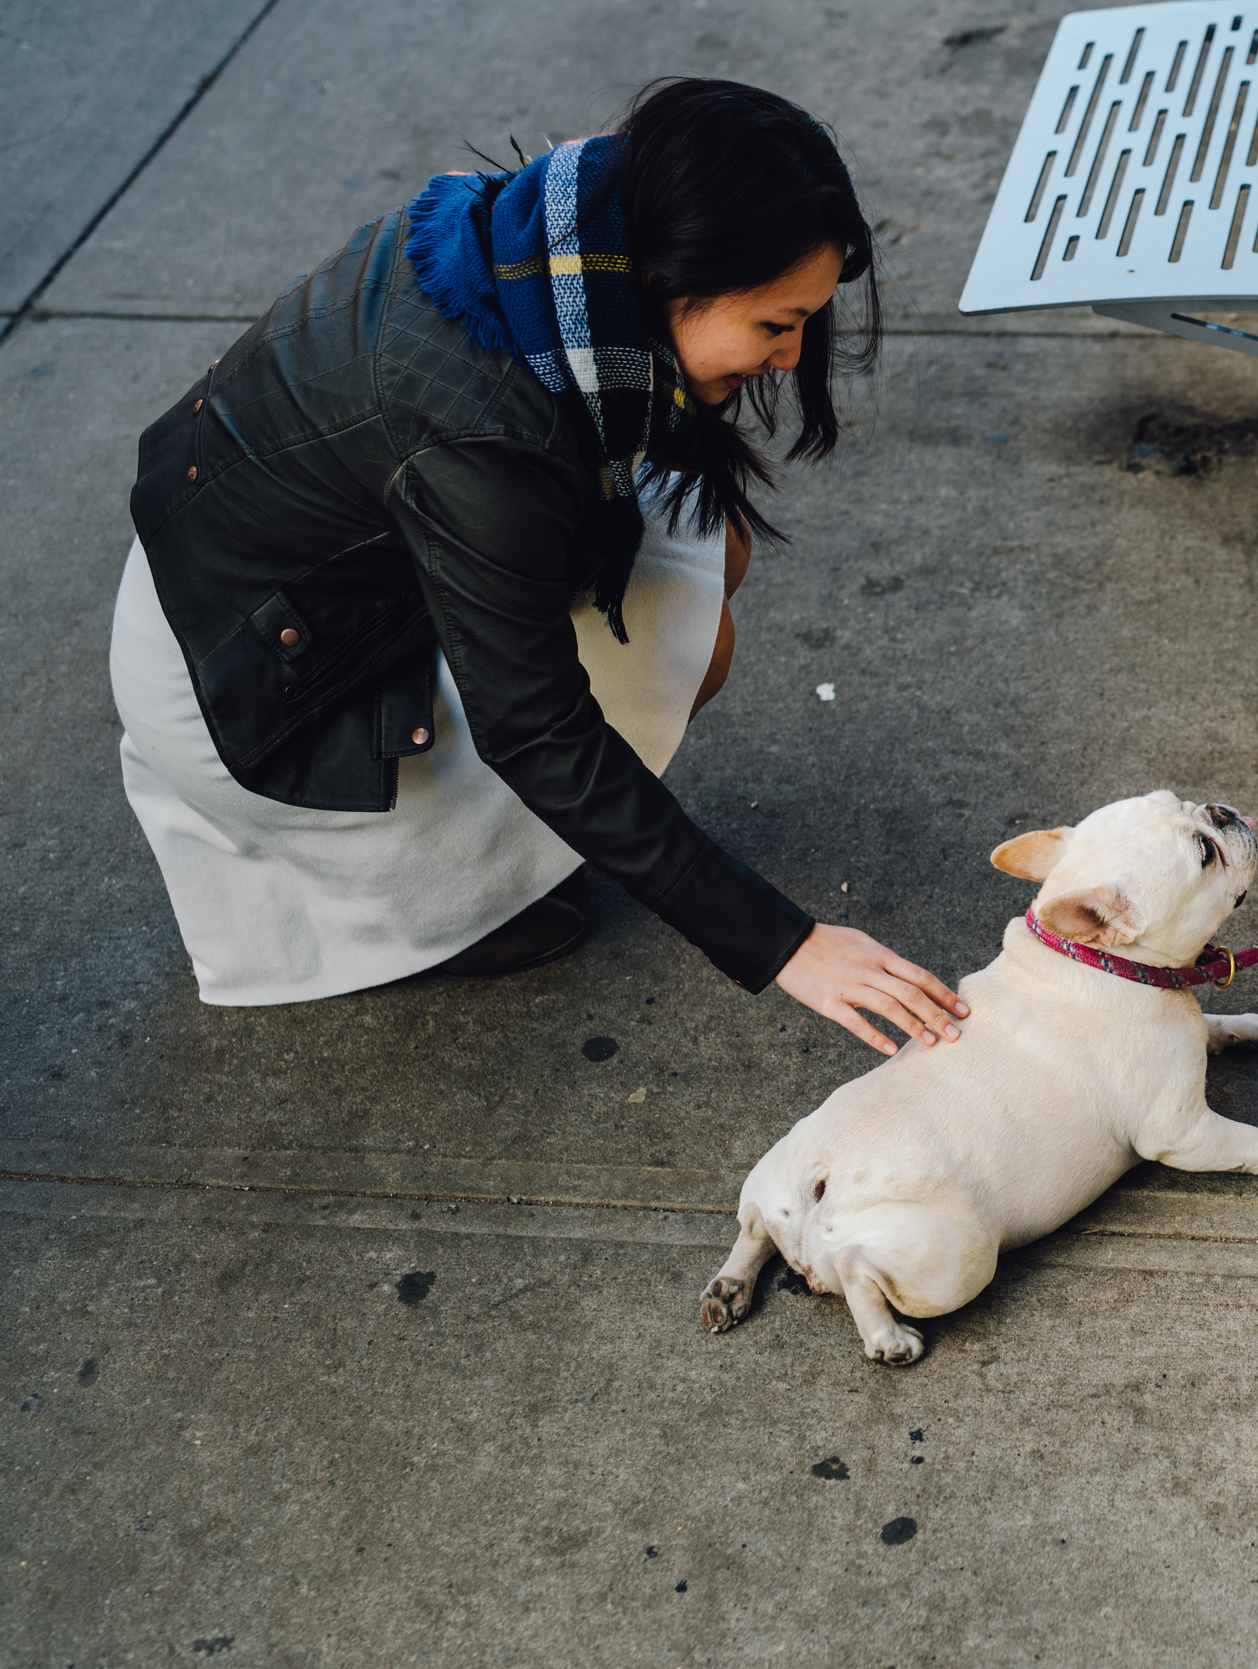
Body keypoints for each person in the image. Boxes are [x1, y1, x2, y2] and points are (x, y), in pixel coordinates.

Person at [111, 78, 966, 1058]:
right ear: (670, 281)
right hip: (255, 699)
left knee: (700, 557)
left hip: (246, 609)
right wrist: (786, 944)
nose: (790, 356)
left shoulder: (562, 236)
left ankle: (490, 855)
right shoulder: (484, 437)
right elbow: (536, 728)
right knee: (693, 635)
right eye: (776, 324)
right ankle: (432, 909)